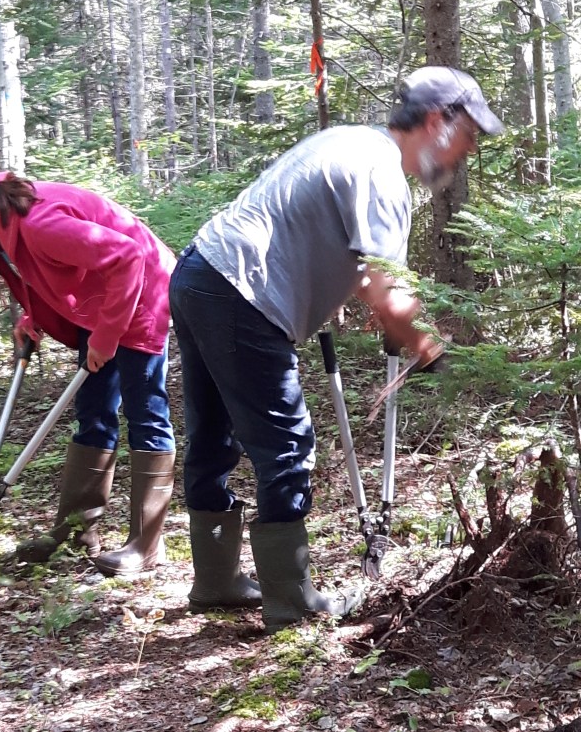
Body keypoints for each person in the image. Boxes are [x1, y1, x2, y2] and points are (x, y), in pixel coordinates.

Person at [169, 66, 504, 632]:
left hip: (200, 273)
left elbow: (325, 241)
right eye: (467, 135)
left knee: (213, 434)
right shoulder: (382, 174)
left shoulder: (348, 141)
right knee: (286, 445)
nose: (466, 151)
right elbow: (388, 293)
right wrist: (431, 352)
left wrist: (351, 292)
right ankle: (291, 601)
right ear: (435, 122)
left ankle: (216, 580)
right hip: (243, 293)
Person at [0, 170, 177, 576]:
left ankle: (147, 544)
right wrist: (33, 316)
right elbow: (42, 271)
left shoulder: (40, 224)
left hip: (142, 296)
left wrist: (107, 336)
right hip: (100, 300)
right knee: (93, 413)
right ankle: (76, 533)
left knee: (146, 414)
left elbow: (128, 256)